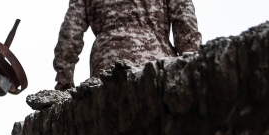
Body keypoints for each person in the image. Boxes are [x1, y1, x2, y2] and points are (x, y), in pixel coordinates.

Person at [53, 0, 201, 90]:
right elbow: (184, 17)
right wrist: (191, 61)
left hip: (106, 64)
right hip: (154, 62)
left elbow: (71, 29)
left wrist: (64, 79)